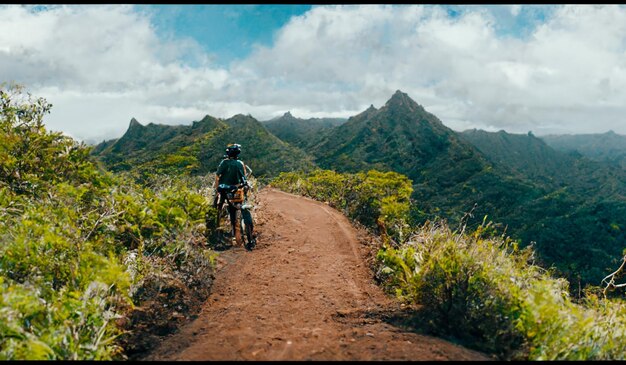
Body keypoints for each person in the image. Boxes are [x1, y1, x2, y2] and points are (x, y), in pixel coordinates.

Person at [213, 143, 254, 246]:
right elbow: (243, 176)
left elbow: (217, 176)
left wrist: (217, 188)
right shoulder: (240, 163)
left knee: (218, 206)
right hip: (237, 189)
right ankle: (242, 232)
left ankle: (217, 228)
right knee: (239, 206)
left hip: (225, 191)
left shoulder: (224, 163)